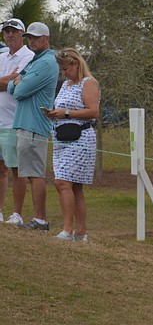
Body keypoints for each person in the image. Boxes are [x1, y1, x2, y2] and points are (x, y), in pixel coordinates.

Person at [44, 49, 100, 241]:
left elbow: (93, 111)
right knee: (72, 186)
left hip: (80, 138)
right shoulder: (66, 84)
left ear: (76, 64)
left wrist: (66, 113)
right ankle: (80, 232)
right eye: (62, 69)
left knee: (63, 182)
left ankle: (68, 229)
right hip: (62, 139)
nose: (64, 73)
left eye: (66, 68)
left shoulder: (89, 82)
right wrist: (54, 113)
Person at [8, 22, 59, 230]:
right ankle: (38, 219)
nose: (32, 41)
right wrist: (17, 82)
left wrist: (19, 81)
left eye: (36, 37)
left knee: (35, 173)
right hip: (25, 123)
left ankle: (39, 220)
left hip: (34, 125)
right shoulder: (36, 61)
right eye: (30, 37)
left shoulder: (46, 62)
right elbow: (13, 86)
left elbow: (19, 90)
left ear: (47, 38)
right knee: (29, 172)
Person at [0, 18, 33, 225]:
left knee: (16, 168)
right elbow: (7, 81)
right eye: (6, 32)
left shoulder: (29, 56)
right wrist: (7, 81)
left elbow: (16, 81)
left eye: (13, 31)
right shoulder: (2, 56)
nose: (10, 35)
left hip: (14, 121)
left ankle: (17, 214)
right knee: (0, 168)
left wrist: (9, 81)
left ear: (22, 34)